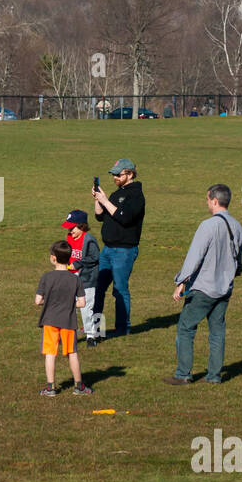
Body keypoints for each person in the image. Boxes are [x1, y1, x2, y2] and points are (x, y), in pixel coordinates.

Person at [166, 184, 242, 385]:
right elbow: (238, 261)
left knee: (186, 328)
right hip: (224, 288)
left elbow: (194, 257)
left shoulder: (208, 226)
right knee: (217, 331)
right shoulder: (238, 226)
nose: (207, 203)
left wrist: (181, 281)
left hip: (203, 288)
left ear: (215, 201)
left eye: (208, 199)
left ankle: (183, 374)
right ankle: (214, 376)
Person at [91, 159, 145, 339]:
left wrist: (105, 201)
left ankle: (123, 329)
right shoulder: (116, 194)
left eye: (118, 174)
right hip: (107, 250)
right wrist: (98, 200)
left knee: (120, 289)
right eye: (113, 174)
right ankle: (95, 328)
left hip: (124, 251)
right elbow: (100, 217)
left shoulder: (136, 196)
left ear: (129, 174)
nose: (114, 177)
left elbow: (125, 218)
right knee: (98, 289)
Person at [35, 240, 93, 396]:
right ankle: (79, 386)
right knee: (72, 353)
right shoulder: (75, 279)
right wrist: (68, 303)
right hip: (68, 321)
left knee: (50, 353)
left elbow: (38, 300)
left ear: (53, 258)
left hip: (49, 320)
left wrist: (49, 301)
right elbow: (82, 302)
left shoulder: (46, 277)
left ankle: (50, 388)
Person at [62, 210, 100, 347]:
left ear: (81, 226)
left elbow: (94, 257)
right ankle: (69, 334)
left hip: (87, 279)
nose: (70, 230)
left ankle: (90, 336)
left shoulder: (89, 240)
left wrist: (77, 264)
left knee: (86, 308)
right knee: (69, 307)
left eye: (72, 227)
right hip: (70, 278)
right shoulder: (69, 238)